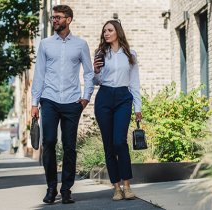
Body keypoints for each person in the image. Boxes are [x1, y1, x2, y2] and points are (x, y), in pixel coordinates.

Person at [31, 5, 94, 204]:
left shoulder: (81, 45)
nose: (54, 21)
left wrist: (86, 97)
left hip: (72, 102)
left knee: (69, 147)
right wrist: (34, 102)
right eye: (53, 18)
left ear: (69, 19)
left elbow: (89, 73)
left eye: (58, 17)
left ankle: (66, 189)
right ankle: (51, 188)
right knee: (48, 142)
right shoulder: (45, 44)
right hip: (48, 100)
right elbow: (39, 74)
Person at [93, 19, 142, 201]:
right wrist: (96, 71)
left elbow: (135, 82)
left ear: (117, 32)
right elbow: (96, 81)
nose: (106, 33)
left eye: (109, 30)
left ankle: (127, 185)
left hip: (123, 98)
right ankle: (116, 188)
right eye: (104, 31)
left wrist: (138, 106)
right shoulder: (101, 53)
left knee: (119, 141)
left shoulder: (130, 54)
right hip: (104, 98)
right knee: (108, 144)